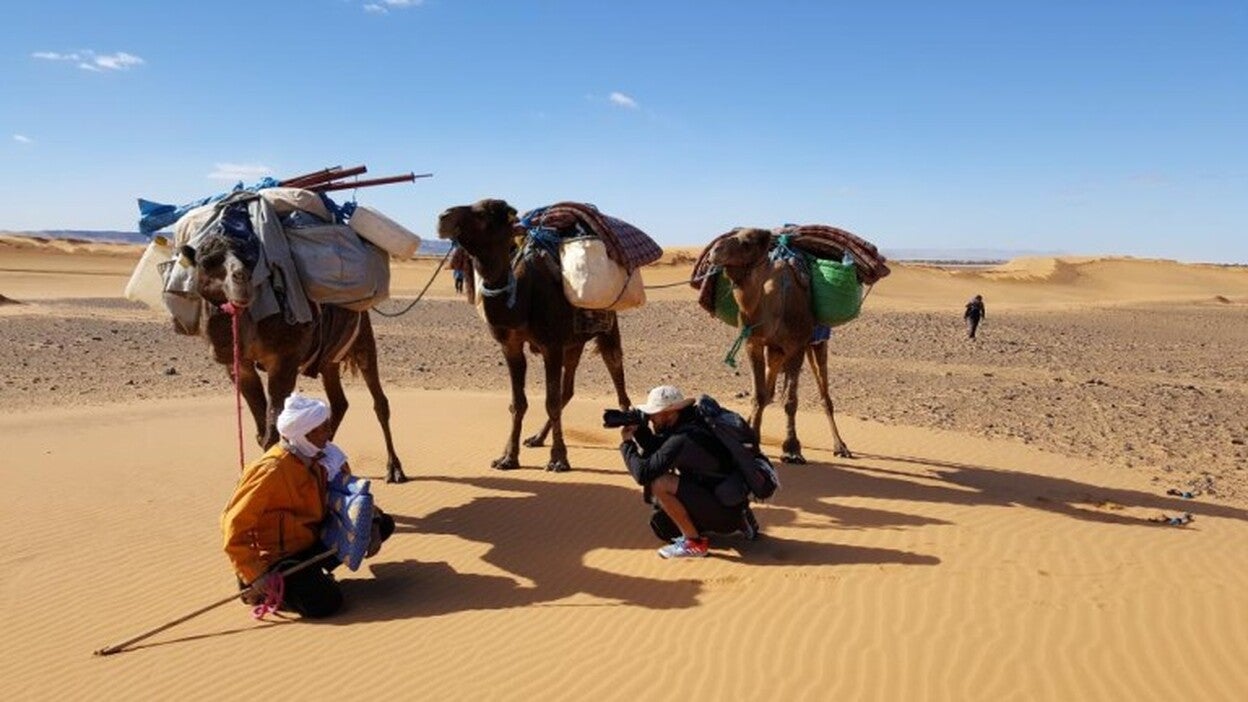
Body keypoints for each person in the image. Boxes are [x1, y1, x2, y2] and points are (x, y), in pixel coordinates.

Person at [221, 393, 394, 618]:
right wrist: (255, 574)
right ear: (304, 434)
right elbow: (232, 523)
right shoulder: (271, 471)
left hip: (313, 542)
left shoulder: (324, 459)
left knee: (383, 524)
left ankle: (309, 576)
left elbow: (348, 497)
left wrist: (373, 520)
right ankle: (260, 589)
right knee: (326, 603)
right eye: (322, 428)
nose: (328, 433)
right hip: (278, 557)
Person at [618, 385, 758, 559]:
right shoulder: (696, 422)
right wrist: (640, 432)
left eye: (654, 414)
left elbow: (643, 474)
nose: (651, 419)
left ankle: (694, 543)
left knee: (660, 483)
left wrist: (627, 445)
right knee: (663, 526)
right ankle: (742, 520)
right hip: (731, 502)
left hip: (722, 513)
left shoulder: (681, 439)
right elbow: (659, 449)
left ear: (670, 412)